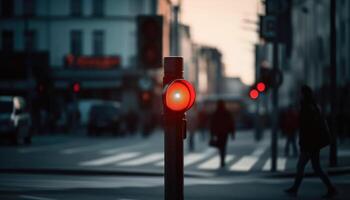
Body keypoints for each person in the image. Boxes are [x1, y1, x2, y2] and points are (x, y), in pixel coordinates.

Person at [285, 85, 337, 198]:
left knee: (302, 166)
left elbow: (308, 128)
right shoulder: (313, 106)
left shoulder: (307, 107)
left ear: (304, 94)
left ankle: (295, 188)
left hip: (310, 143)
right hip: (313, 142)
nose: (299, 95)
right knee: (315, 167)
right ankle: (330, 188)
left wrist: (305, 144)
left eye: (300, 93)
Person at [209, 100, 235, 168]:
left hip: (218, 132)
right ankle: (222, 160)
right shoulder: (226, 113)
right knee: (223, 146)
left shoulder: (216, 113)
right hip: (225, 132)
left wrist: (212, 134)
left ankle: (222, 159)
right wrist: (232, 133)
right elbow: (231, 123)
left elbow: (212, 124)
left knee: (221, 146)